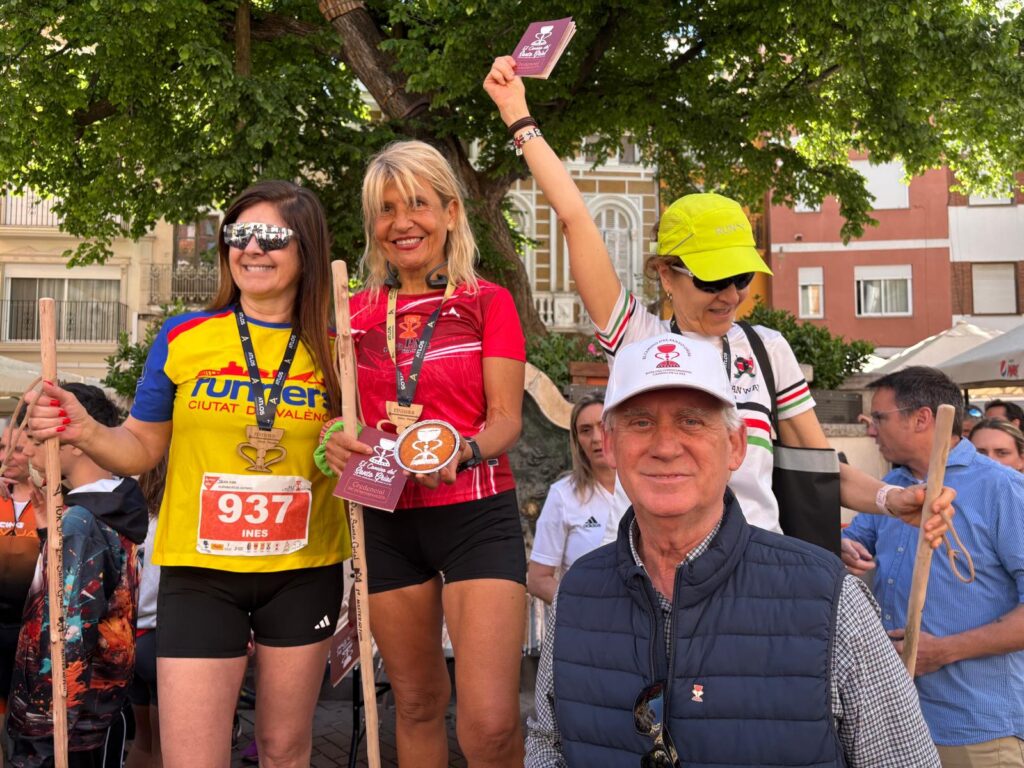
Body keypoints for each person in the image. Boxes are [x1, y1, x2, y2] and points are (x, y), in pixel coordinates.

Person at [483, 55, 951, 540]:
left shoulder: (767, 350)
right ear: (666, 273)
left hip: (758, 577)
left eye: (742, 277)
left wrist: (892, 500)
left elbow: (819, 466)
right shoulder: (636, 340)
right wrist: (518, 115)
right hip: (654, 579)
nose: (731, 295)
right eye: (711, 280)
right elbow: (575, 218)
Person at [26, 181, 351, 768]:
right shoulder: (184, 336)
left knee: (283, 751)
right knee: (192, 758)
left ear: (305, 246)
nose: (252, 248)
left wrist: (354, 452)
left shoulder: (338, 347)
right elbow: (140, 447)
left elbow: (361, 453)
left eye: (273, 236)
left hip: (304, 571)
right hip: (201, 573)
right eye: (238, 234)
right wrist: (84, 429)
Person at [525, 334, 942, 767]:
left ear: (736, 447)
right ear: (610, 446)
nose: (666, 447)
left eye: (692, 421)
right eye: (641, 422)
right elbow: (547, 745)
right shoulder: (576, 596)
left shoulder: (831, 603)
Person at [323, 140, 527, 767]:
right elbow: (335, 418)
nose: (401, 222)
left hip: (475, 510)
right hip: (385, 517)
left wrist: (464, 450)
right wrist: (332, 439)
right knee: (413, 702)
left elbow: (505, 421)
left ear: (451, 212)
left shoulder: (486, 302)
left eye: (417, 204)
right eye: (385, 209)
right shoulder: (348, 313)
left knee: (489, 722)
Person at [842, 367, 1024, 767]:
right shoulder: (893, 486)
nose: (872, 430)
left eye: (880, 418)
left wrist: (944, 651)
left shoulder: (1002, 489)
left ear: (922, 418)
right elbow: (856, 539)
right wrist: (845, 548)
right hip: (896, 724)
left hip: (976, 728)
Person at [7, 384, 147, 767]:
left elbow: (68, 631)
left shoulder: (82, 521)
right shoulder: (107, 508)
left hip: (69, 722)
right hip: (92, 709)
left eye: (37, 438)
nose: (28, 450)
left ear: (73, 442)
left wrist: (46, 723)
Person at [528, 394, 629, 604]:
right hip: (590, 628)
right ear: (576, 440)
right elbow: (538, 579)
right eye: (585, 430)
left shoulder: (644, 488)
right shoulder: (563, 496)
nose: (596, 438)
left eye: (603, 426)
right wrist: (580, 609)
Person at [125, 457, 166, 768]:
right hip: (160, 638)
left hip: (129, 637)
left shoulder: (132, 514)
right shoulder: (173, 521)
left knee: (144, 740)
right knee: (166, 750)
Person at [0, 414, 41, 719]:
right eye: (2, 447)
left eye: (15, 449)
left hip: (32, 632)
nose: (4, 457)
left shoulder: (54, 502)